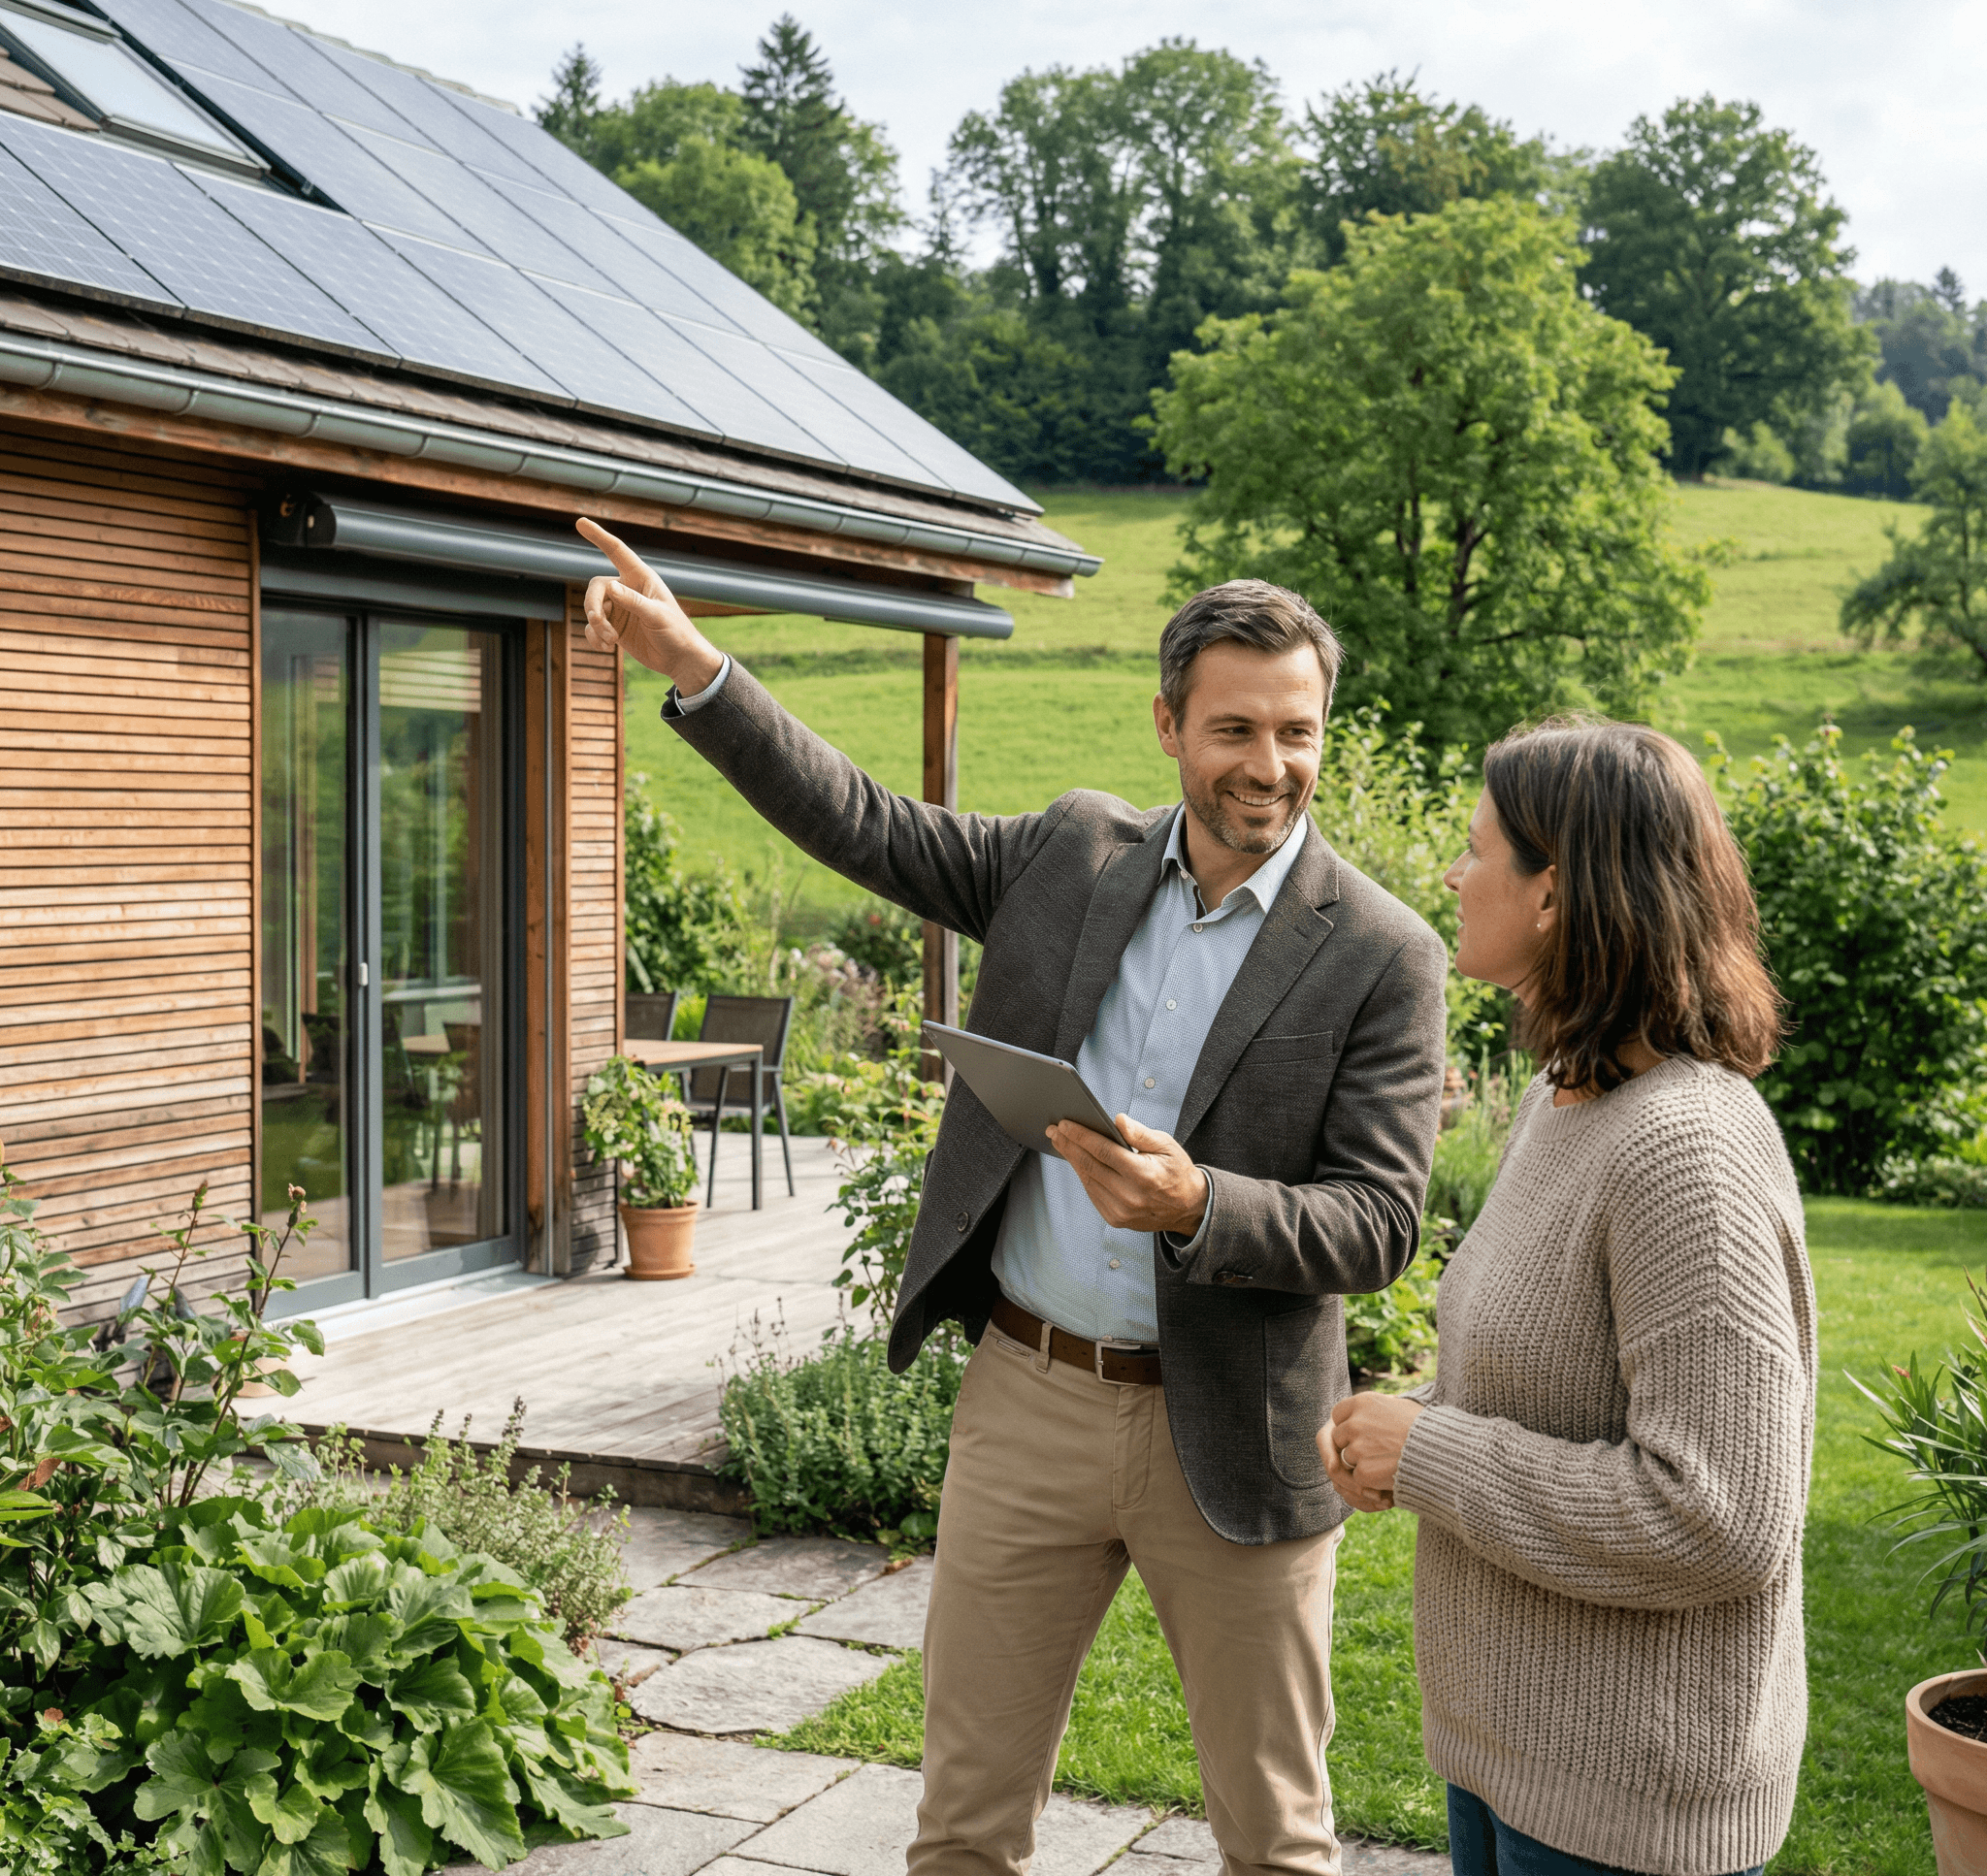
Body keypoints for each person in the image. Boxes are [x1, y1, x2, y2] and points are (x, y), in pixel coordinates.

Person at [576, 516, 1449, 1876]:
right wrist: (700, 671)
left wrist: (1199, 1204)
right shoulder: (1073, 858)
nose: (1269, 767)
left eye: (1298, 731)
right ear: (1169, 723)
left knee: (1276, 1841)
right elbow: (866, 825)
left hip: (1234, 1428)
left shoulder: (1384, 954)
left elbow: (1381, 1222)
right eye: (1234, 730)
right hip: (1028, 1402)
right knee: (964, 1830)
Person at [1323, 719, 1815, 1876]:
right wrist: (1408, 1427)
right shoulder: (1571, 1098)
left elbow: (1718, 1513)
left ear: (1555, 893)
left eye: (1477, 846)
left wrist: (1431, 1452)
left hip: (1626, 1808)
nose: (1451, 871)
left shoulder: (1683, 1147)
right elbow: (1556, 1376)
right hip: (1509, 1759)